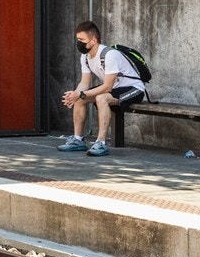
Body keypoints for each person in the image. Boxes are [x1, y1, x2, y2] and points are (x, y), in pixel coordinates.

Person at [57, 20, 144, 157]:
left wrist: (81, 93)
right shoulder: (85, 57)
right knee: (80, 99)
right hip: (114, 88)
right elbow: (84, 82)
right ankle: (78, 140)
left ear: (93, 40)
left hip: (133, 89)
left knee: (101, 98)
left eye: (82, 40)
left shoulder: (110, 55)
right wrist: (75, 94)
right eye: (77, 39)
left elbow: (107, 86)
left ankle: (101, 143)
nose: (79, 43)